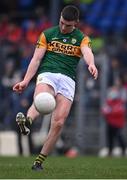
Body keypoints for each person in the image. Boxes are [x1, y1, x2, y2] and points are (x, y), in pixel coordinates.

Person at [13, 5, 98, 171]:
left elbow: (87, 52)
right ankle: (28, 122)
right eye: (62, 22)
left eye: (68, 25)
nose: (63, 27)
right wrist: (25, 81)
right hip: (48, 73)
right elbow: (36, 59)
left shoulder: (82, 38)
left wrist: (92, 64)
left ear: (76, 23)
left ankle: (38, 162)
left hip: (68, 79)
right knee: (43, 97)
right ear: (59, 17)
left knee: (58, 122)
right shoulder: (47, 34)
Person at [101, 86, 127, 157]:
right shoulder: (108, 102)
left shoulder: (120, 102)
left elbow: (120, 111)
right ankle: (110, 152)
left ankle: (123, 150)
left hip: (118, 124)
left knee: (119, 137)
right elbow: (104, 111)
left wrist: (111, 111)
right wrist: (111, 111)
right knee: (110, 138)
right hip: (110, 123)